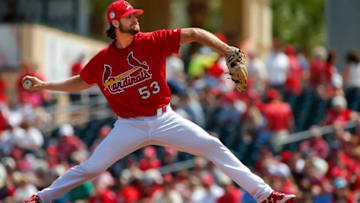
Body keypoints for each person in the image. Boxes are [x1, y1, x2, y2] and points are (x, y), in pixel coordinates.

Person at [22, 1, 296, 202]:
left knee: (213, 145)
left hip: (165, 118)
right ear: (115, 23)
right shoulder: (103, 60)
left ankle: (265, 195)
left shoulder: (151, 41)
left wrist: (225, 50)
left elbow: (195, 33)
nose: (135, 19)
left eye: (134, 15)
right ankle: (40, 199)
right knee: (91, 168)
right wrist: (46, 85)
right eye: (129, 17)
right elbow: (82, 81)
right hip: (129, 126)